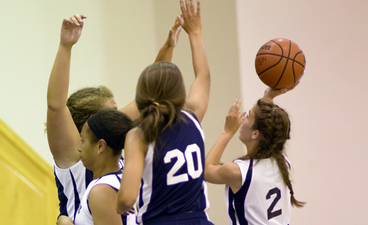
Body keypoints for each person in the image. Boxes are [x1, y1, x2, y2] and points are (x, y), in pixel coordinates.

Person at [47, 14, 182, 220]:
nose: (118, 116)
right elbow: (56, 106)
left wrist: (168, 47)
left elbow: (149, 95)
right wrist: (66, 46)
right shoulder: (75, 154)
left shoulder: (112, 142)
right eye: (111, 112)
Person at [116, 0, 213, 224]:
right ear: (179, 91)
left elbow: (127, 199)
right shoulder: (193, 116)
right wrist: (195, 33)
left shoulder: (139, 135)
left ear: (141, 95)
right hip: (198, 219)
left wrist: (120, 204)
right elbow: (203, 76)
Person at [204, 87, 305, 225]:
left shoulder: (238, 172)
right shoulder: (283, 162)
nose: (242, 119)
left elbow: (206, 170)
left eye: (248, 116)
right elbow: (273, 130)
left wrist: (227, 131)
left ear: (255, 133)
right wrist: (268, 98)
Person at [56, 109, 133, 225]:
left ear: (100, 146)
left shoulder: (102, 190)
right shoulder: (118, 180)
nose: (79, 148)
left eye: (82, 141)